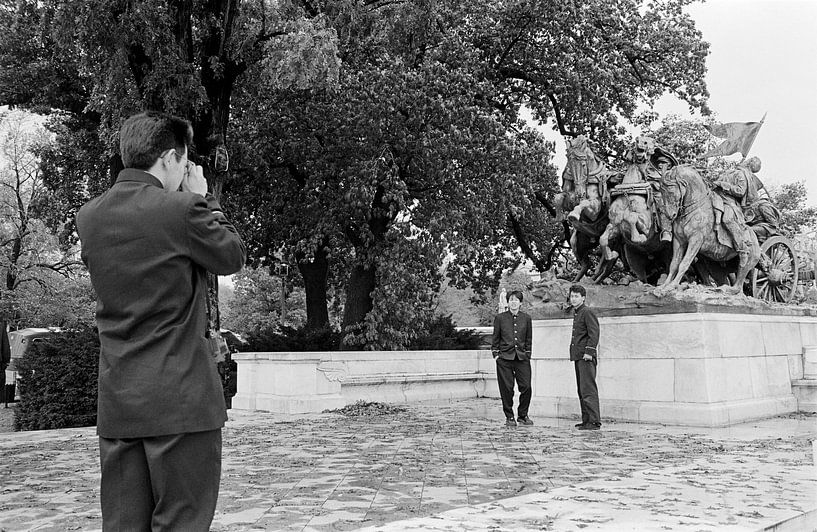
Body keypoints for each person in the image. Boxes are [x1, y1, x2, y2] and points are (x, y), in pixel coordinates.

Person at [76, 111, 246, 530]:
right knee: (181, 523)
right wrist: (206, 198)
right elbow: (230, 256)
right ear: (170, 159)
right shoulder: (182, 209)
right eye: (185, 163)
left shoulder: (90, 217)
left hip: (119, 403)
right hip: (181, 401)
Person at [491, 290, 533, 427]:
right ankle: (509, 416)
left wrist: (528, 354)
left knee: (526, 387)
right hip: (504, 358)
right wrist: (496, 354)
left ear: (520, 303)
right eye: (511, 300)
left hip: (521, 358)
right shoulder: (500, 318)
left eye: (516, 300)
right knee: (507, 388)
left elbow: (528, 338)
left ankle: (523, 415)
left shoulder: (526, 318)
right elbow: (495, 337)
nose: (513, 302)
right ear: (507, 302)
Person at [568, 284, 601, 430]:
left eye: (576, 296)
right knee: (581, 389)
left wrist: (589, 352)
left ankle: (594, 421)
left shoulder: (587, 312)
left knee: (588, 389)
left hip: (586, 356)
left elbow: (594, 333)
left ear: (583, 298)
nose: (573, 299)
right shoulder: (577, 312)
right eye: (572, 296)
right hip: (579, 356)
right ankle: (586, 419)